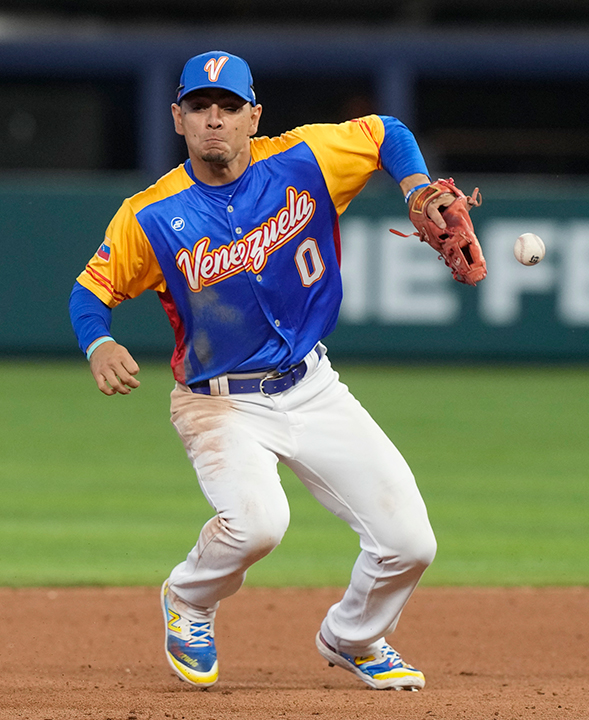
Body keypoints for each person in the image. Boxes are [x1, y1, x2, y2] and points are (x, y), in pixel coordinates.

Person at [69, 51, 450, 691]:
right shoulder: (150, 214)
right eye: (199, 107)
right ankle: (189, 599)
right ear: (178, 118)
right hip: (219, 405)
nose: (213, 119)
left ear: (254, 117)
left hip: (314, 386)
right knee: (257, 524)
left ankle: (353, 637)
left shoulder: (303, 159)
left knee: (410, 544)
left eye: (228, 107)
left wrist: (415, 186)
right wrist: (97, 342)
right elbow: (90, 291)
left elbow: (388, 132)